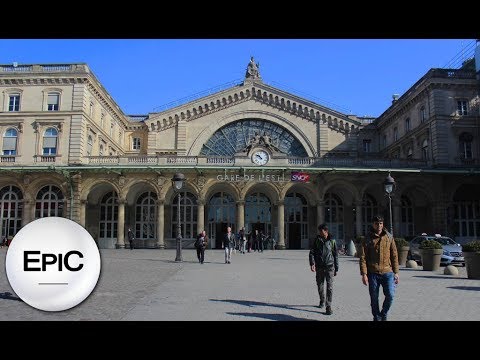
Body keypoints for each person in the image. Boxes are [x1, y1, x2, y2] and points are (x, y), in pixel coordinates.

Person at [359, 215, 399, 321]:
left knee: (390, 295)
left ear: (383, 224)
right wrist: (364, 274)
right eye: (377, 223)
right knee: (374, 298)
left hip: (388, 272)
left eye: (381, 223)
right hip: (373, 273)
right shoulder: (367, 238)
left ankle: (383, 313)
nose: (379, 225)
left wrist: (396, 272)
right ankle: (377, 317)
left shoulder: (389, 237)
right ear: (373, 224)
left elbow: (394, 255)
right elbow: (363, 257)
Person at [309, 223, 338, 315]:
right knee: (320, 286)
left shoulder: (332, 241)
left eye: (322, 232)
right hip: (320, 267)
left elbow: (335, 255)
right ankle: (322, 300)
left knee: (329, 287)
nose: (320, 234)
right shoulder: (317, 240)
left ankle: (328, 306)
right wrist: (312, 263)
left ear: (326, 231)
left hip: (330, 266)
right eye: (319, 232)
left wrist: (336, 268)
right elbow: (311, 253)